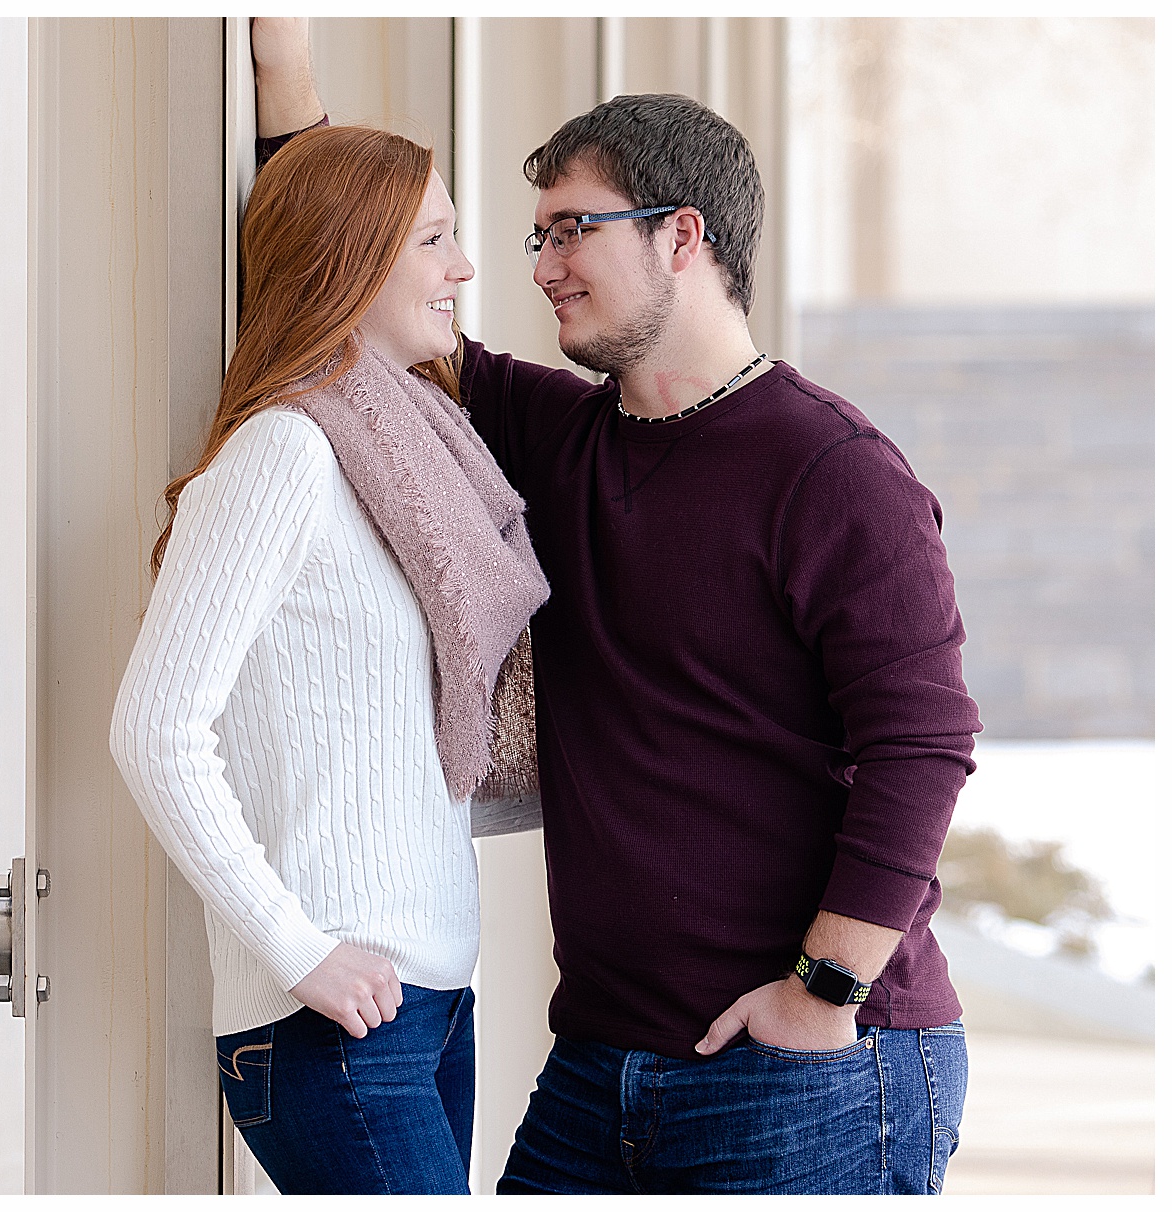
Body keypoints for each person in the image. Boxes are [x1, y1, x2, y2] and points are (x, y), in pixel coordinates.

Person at [251, 18, 979, 1197]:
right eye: (537, 235)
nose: (538, 263)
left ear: (683, 236)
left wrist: (825, 991)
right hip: (599, 1066)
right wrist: (284, 70)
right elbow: (350, 270)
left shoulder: (833, 468)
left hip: (814, 1070)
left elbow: (924, 746)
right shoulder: (545, 434)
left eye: (572, 230)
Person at [109, 122, 548, 1195]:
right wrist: (295, 948)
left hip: (432, 1004)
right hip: (331, 1018)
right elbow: (155, 729)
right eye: (434, 240)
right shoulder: (285, 453)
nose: (465, 267)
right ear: (352, 258)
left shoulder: (409, 458)